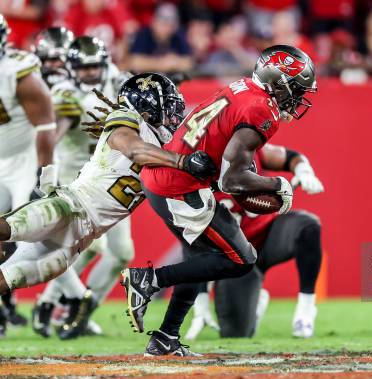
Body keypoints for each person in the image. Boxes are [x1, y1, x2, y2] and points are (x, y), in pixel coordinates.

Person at [121, 45, 317, 356]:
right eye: (296, 88)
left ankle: (165, 338)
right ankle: (149, 279)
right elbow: (231, 180)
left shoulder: (244, 88)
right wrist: (276, 185)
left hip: (169, 180)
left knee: (202, 262)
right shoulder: (262, 108)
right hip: (178, 187)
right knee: (242, 259)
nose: (298, 97)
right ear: (278, 82)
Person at [0, 72, 216, 315]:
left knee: (12, 277)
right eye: (167, 105)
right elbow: (134, 150)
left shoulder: (165, 146)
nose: (174, 113)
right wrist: (185, 162)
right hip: (70, 207)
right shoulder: (125, 119)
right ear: (147, 109)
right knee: (8, 228)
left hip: (83, 237)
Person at [30, 36, 135, 340]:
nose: (89, 72)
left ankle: (78, 311)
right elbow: (52, 135)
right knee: (87, 247)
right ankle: (62, 307)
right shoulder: (66, 93)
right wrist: (43, 173)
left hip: (113, 177)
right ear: (72, 67)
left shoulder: (121, 82)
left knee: (121, 253)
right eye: (82, 67)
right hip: (76, 177)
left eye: (93, 66)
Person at [185, 143, 324, 340]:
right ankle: (254, 302)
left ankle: (306, 311)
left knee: (308, 226)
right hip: (234, 259)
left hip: (267, 236)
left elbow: (291, 157)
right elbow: (192, 242)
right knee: (236, 333)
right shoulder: (195, 168)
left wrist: (304, 171)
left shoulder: (249, 148)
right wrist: (201, 300)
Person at [0, 14, 56, 337]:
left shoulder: (18, 73)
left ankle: (9, 301)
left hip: (22, 160)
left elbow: (46, 127)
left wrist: (43, 174)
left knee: (19, 232)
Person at [128, 3, 193, 74]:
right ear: (154, 22)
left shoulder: (177, 36)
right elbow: (134, 61)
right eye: (163, 24)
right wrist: (160, 63)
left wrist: (175, 62)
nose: (167, 28)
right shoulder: (144, 34)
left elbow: (189, 62)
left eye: (171, 25)